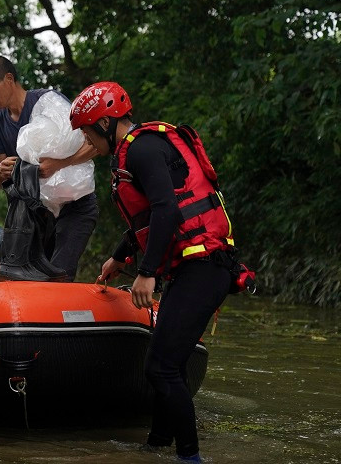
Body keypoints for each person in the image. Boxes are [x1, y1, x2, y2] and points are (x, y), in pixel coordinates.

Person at [70, 81, 236, 463]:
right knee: (167, 364)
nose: (87, 142)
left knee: (160, 367)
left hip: (204, 268)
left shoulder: (142, 150)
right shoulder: (137, 150)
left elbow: (167, 211)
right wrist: (118, 258)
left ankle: (190, 457)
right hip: (197, 268)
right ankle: (158, 447)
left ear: (106, 124)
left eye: (88, 133)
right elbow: (146, 220)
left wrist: (146, 274)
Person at [0, 54, 99, 280]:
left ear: (9, 79)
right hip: (38, 215)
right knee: (33, 279)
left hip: (76, 205)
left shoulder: (48, 103)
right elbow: (0, 180)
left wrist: (59, 164)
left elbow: (95, 146)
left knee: (59, 275)